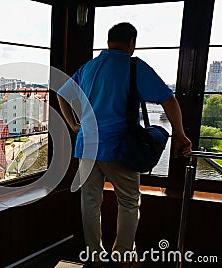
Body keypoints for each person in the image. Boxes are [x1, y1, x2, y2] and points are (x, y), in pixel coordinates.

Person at [57, 22, 192, 268]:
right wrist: (181, 135)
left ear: (109, 41)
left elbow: (61, 94)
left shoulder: (89, 67)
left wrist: (74, 125)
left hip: (87, 146)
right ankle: (123, 257)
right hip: (118, 146)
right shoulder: (134, 66)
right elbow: (169, 101)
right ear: (131, 42)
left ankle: (95, 256)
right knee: (129, 201)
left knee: (89, 201)